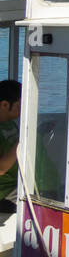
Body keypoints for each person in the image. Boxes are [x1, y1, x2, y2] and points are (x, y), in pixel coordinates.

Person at [0, 80, 21, 212]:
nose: (23, 109)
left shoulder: (11, 124)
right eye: (19, 105)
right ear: (5, 104)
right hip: (4, 194)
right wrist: (22, 141)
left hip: (16, 186)